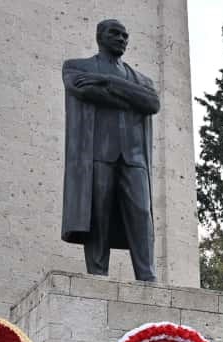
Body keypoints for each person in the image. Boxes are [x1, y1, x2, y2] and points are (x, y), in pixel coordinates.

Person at [62, 19, 160, 281]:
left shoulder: (143, 80)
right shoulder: (76, 67)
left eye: (125, 35)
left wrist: (106, 81)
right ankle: (97, 275)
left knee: (142, 214)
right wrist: (130, 97)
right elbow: (81, 90)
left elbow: (151, 103)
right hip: (97, 154)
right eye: (115, 34)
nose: (122, 39)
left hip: (134, 157)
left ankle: (147, 276)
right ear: (100, 37)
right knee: (98, 214)